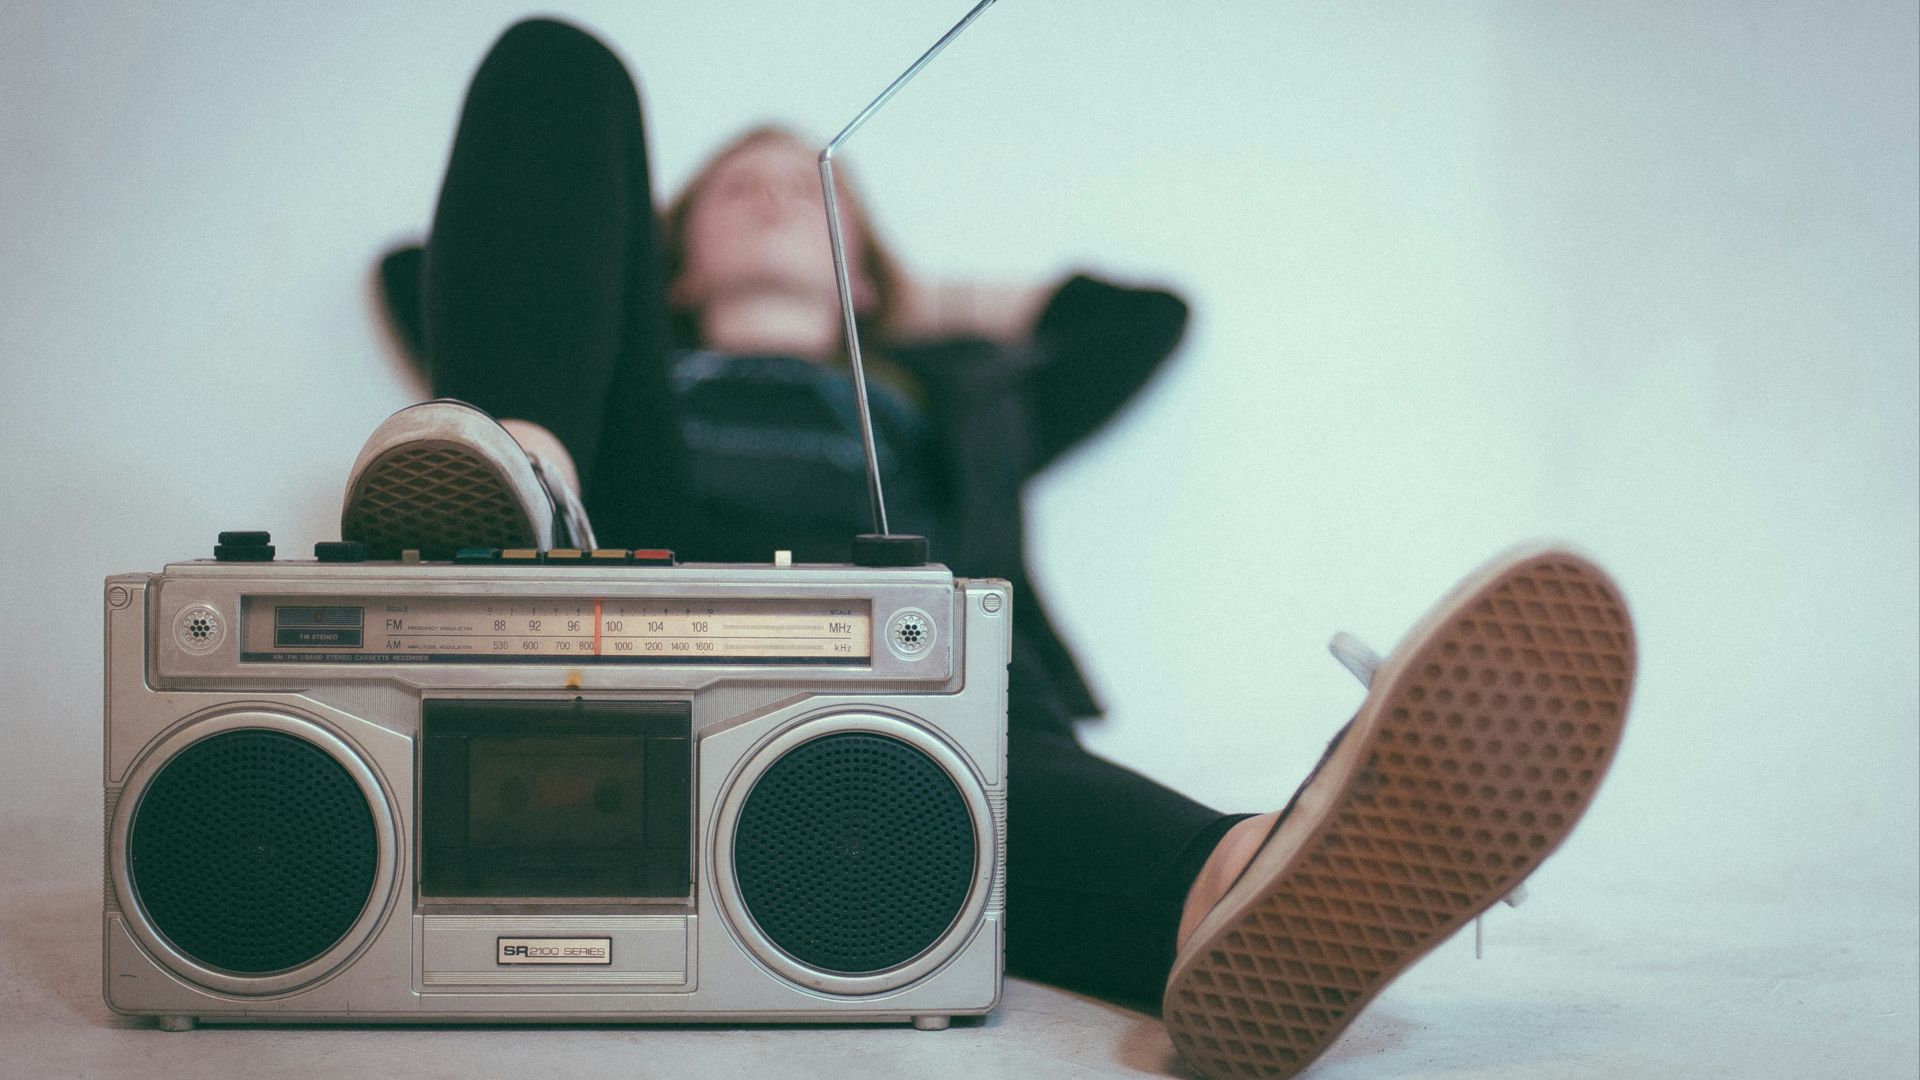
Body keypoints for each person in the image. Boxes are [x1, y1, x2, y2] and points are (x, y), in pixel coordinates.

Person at [348, 18, 1637, 1079]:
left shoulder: (960, 393)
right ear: (671, 258)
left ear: (865, 276)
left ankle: (1246, 884)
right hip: (643, 584)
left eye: (811, 191)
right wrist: (607, 297)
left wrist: (912, 300)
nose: (775, 196)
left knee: (981, 738)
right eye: (738, 190)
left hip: (910, 658)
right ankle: (526, 483)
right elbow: (434, 267)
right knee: (559, 61)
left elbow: (1142, 320)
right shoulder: (628, 373)